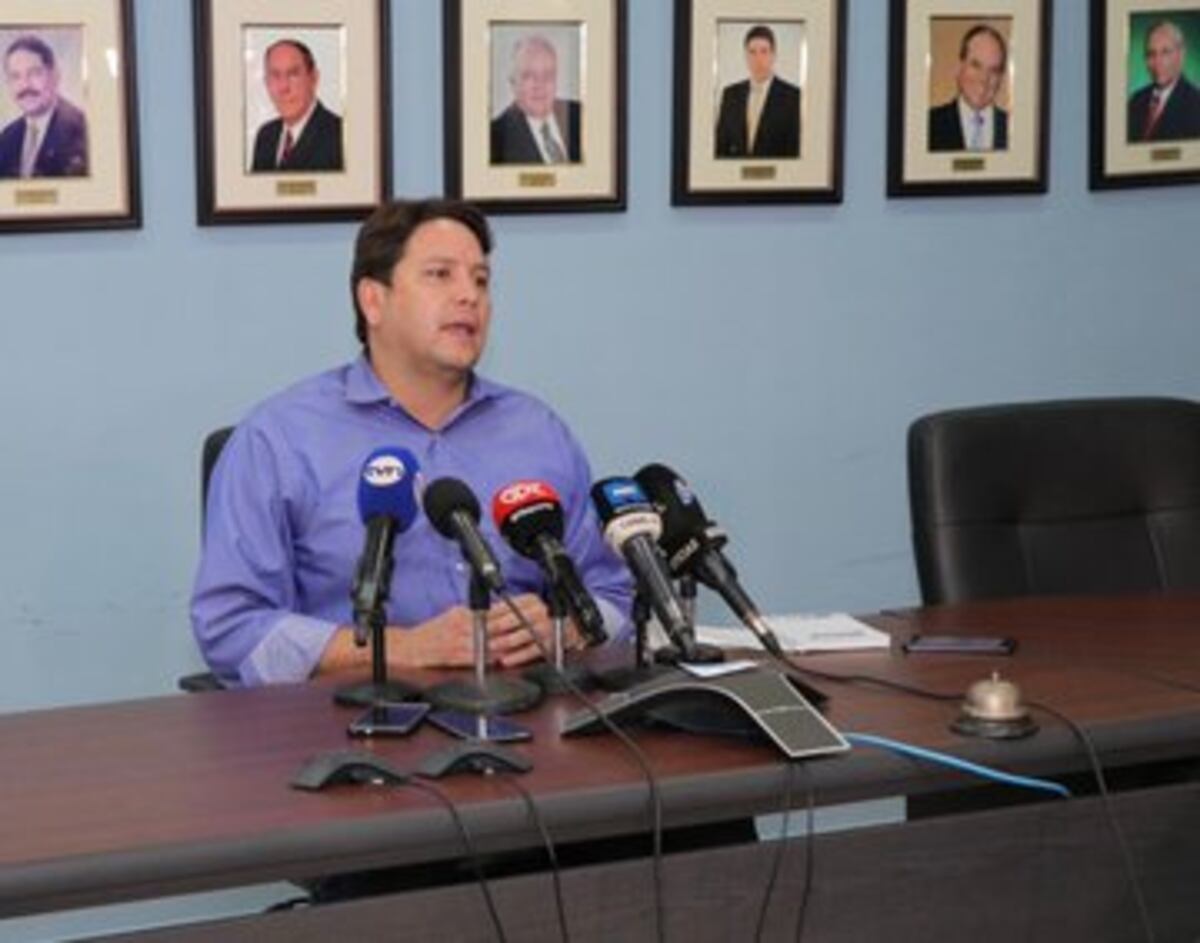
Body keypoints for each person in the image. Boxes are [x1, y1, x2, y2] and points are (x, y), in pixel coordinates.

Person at [191, 198, 631, 687]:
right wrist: (401, 649)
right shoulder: (279, 439)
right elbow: (230, 627)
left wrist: (564, 629)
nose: (469, 296)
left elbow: (617, 595)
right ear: (373, 301)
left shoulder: (538, 432)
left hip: (525, 711)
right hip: (354, 719)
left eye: (481, 280)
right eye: (440, 275)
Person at [0, 35, 87, 179]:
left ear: (55, 76)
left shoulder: (84, 131)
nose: (25, 85)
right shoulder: (6, 138)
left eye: (34, 73)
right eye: (15, 76)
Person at [250, 38, 343, 173]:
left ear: (314, 78)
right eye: (275, 75)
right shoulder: (266, 136)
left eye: (293, 74)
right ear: (266, 83)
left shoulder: (340, 136)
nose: (283, 87)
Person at [490, 34, 582, 165]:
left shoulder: (580, 115)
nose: (540, 84)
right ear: (513, 83)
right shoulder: (494, 139)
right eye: (528, 76)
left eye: (548, 75)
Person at [713, 25, 801, 159]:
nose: (758, 59)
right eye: (752, 52)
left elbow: (794, 152)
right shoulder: (730, 95)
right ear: (745, 56)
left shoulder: (793, 97)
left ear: (773, 55)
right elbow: (720, 148)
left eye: (764, 51)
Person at [928, 24, 1009, 152]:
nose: (984, 79)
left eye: (993, 70)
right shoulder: (929, 125)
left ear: (1001, 77)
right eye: (976, 66)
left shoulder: (1014, 128)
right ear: (959, 67)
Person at [1127, 20, 1200, 143]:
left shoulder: (1196, 104)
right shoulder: (1135, 101)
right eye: (1151, 54)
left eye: (1165, 52)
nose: (1157, 62)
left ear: (1181, 56)